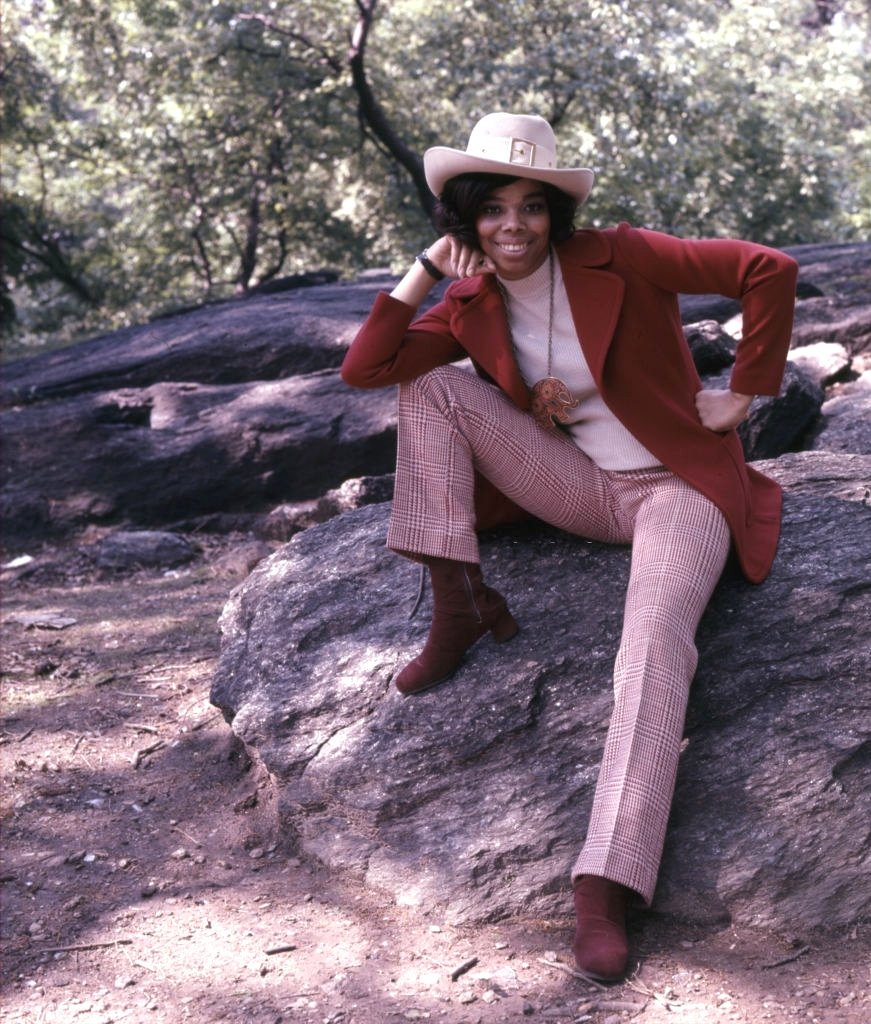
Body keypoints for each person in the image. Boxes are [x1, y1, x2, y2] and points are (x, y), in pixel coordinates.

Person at [342, 112, 797, 981]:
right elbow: (369, 370)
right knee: (430, 392)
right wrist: (422, 275)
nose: (513, 227)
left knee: (651, 646)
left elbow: (766, 269)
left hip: (678, 491)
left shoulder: (621, 255)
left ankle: (605, 882)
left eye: (532, 207)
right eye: (492, 210)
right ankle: (460, 603)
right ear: (465, 219)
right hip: (582, 488)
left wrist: (745, 392)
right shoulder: (469, 299)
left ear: (556, 212)